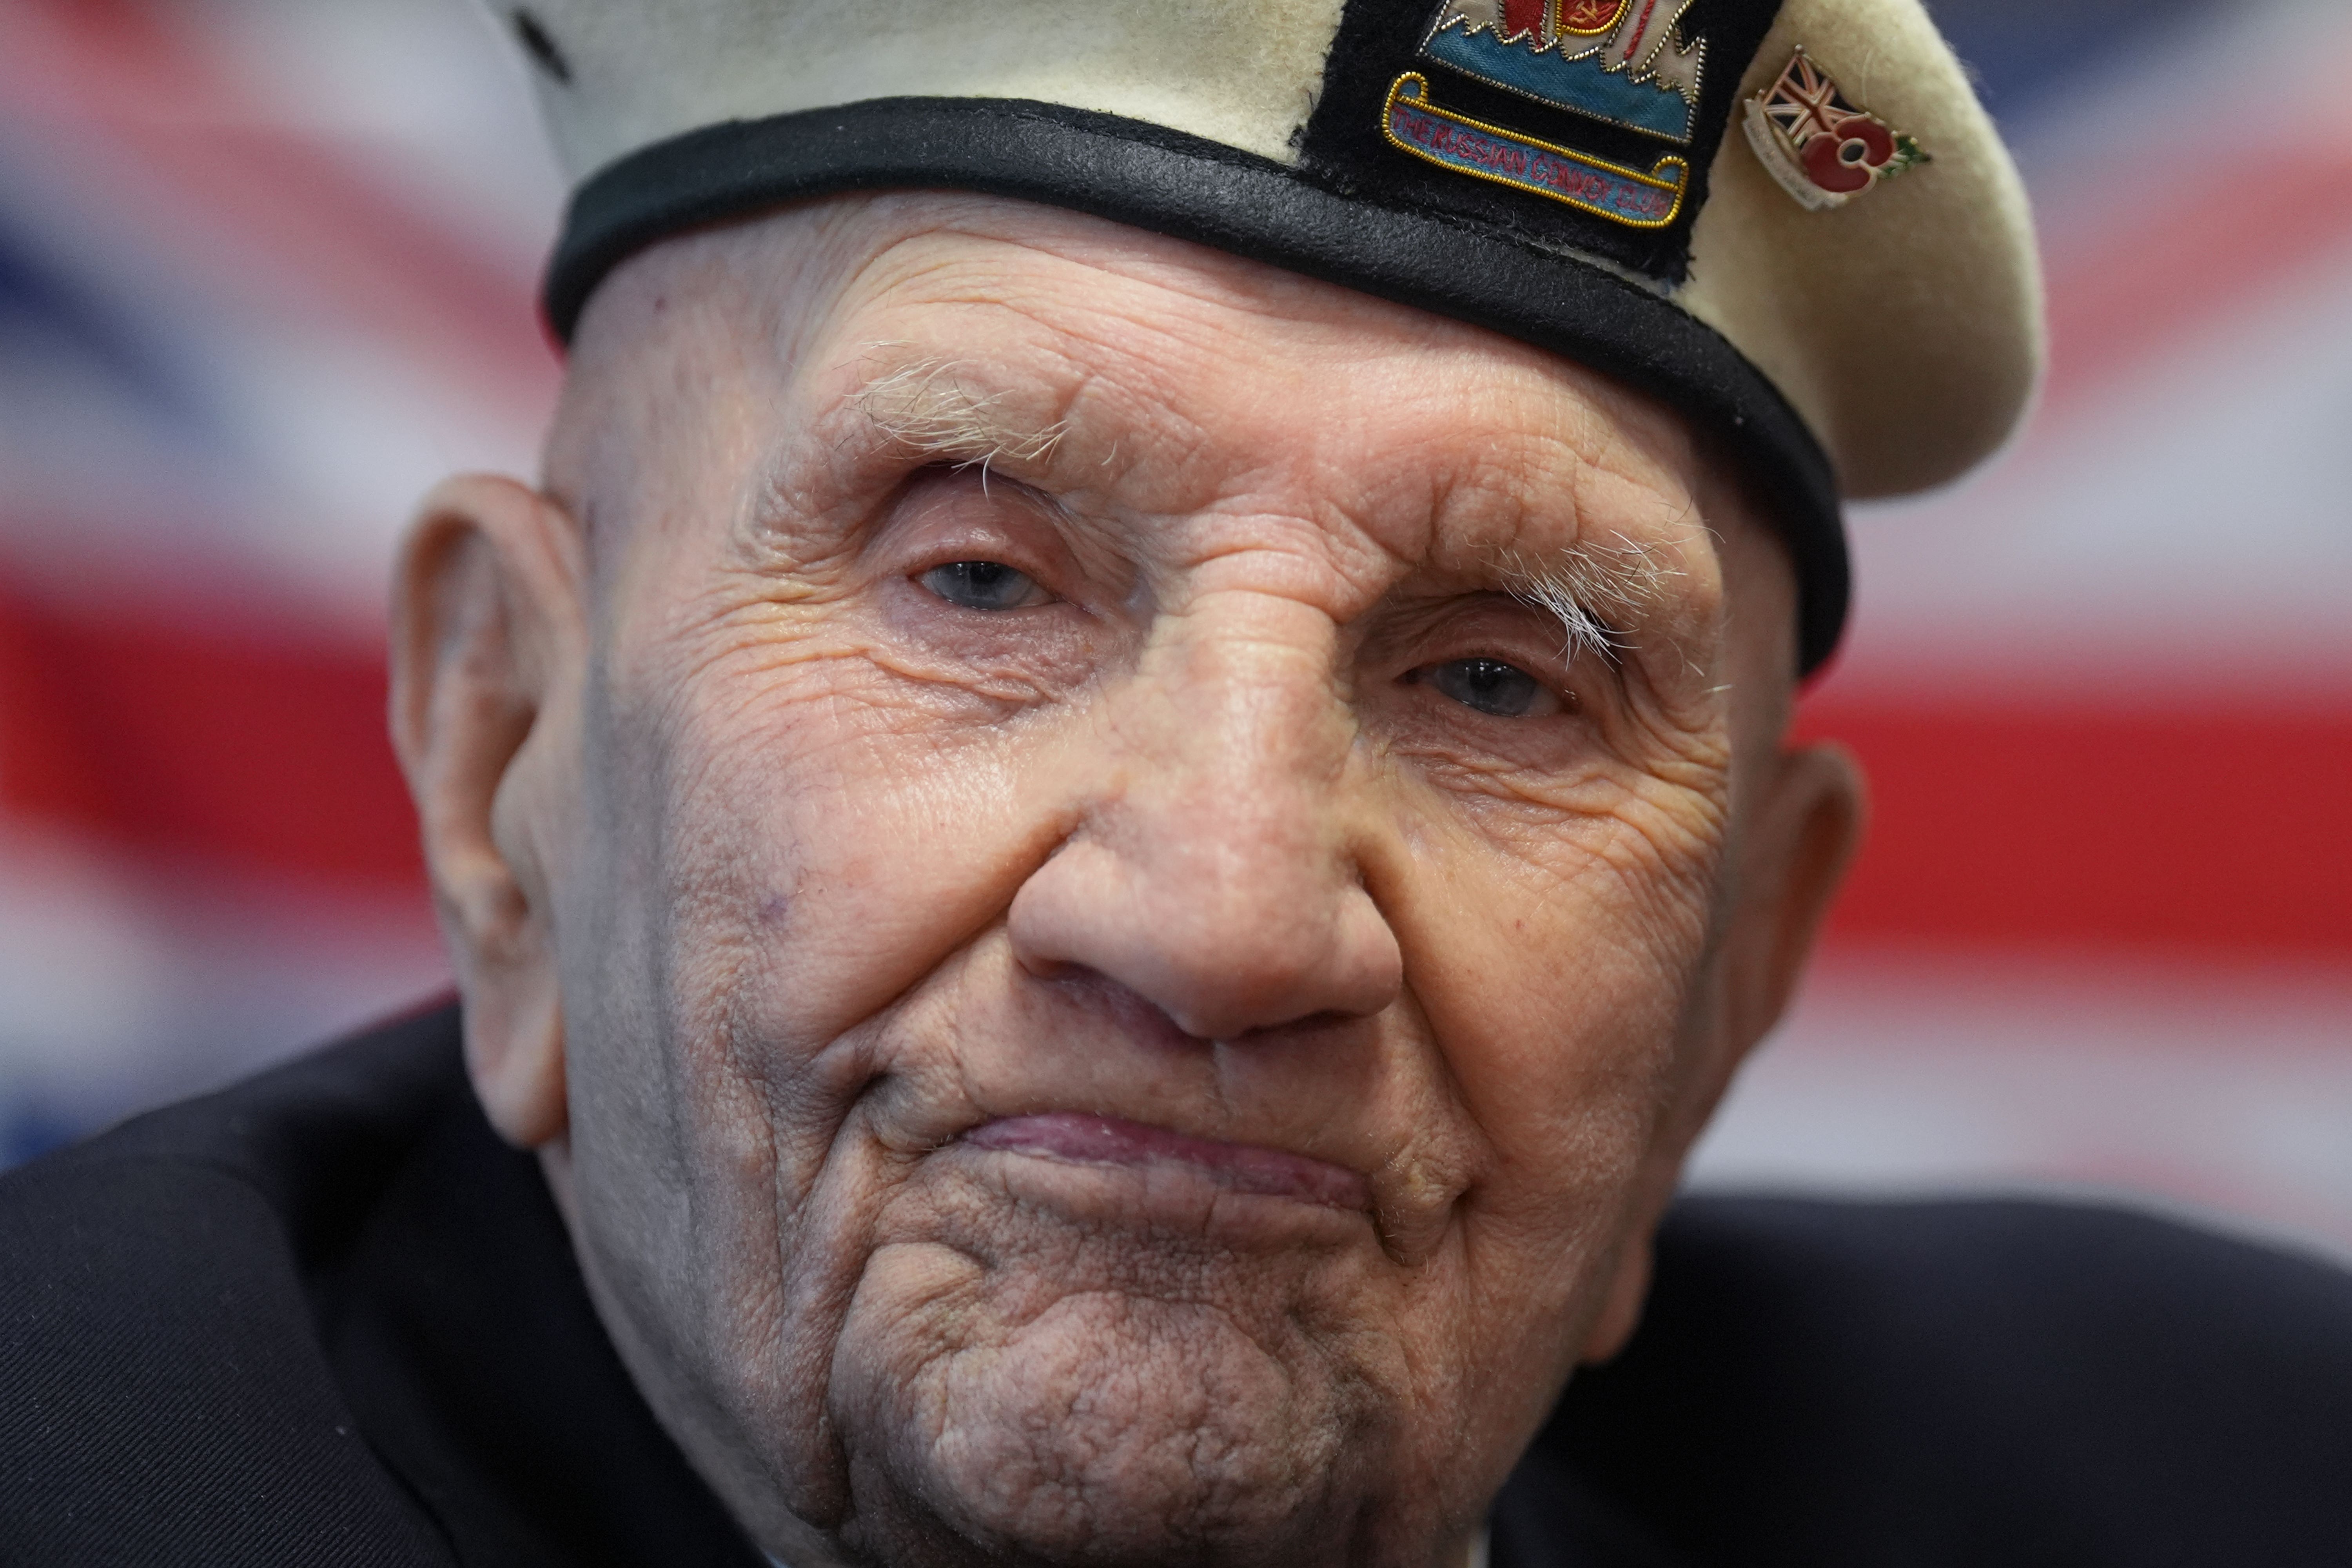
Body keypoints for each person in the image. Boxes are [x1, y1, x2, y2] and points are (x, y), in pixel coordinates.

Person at [3, 0, 2348, 1563]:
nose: (1224, 922)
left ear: (1736, 977)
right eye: (980, 584)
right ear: (501, 748)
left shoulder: (2230, 1476)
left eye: (1499, 685)